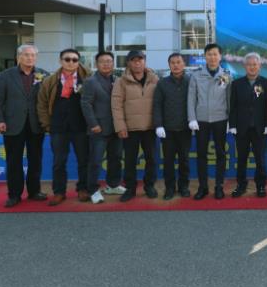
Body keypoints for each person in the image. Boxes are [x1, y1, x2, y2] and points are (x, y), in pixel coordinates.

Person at [0, 44, 49, 208]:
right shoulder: (5, 75)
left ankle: (34, 191)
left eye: (33, 55)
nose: (30, 58)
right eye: (26, 55)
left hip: (36, 125)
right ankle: (14, 195)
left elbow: (47, 100)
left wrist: (47, 121)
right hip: (12, 124)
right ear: (19, 57)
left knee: (35, 160)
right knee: (13, 161)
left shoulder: (43, 75)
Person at [37, 49, 91, 206]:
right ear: (60, 61)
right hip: (58, 127)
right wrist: (47, 124)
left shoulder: (88, 79)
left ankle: (83, 189)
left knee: (84, 160)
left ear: (78, 62)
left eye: (75, 60)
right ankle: (59, 192)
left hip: (81, 127)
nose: (71, 62)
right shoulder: (50, 80)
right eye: (67, 59)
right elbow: (42, 103)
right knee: (59, 162)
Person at [111, 50, 160, 202]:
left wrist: (159, 124)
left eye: (140, 59)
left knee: (151, 159)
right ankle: (130, 189)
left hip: (150, 127)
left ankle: (149, 186)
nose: (137, 63)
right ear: (128, 63)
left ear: (145, 61)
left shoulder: (154, 79)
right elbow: (116, 106)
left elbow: (160, 102)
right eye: (134, 60)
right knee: (130, 161)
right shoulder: (121, 81)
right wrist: (120, 126)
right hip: (130, 128)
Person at [188, 43, 232, 200]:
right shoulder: (196, 75)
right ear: (205, 56)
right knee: (201, 154)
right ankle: (203, 187)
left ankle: (219, 186)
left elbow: (229, 99)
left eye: (215, 54)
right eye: (209, 54)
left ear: (220, 56)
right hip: (201, 120)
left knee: (221, 153)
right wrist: (192, 118)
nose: (212, 57)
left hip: (220, 119)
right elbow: (191, 99)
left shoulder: (226, 75)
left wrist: (230, 120)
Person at [81, 50, 125, 204]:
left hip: (115, 128)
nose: (106, 64)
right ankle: (92, 190)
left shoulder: (117, 80)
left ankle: (113, 185)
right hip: (98, 129)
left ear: (113, 63)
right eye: (102, 61)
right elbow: (86, 104)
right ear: (96, 64)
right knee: (95, 161)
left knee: (116, 159)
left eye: (109, 61)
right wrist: (93, 124)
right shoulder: (90, 81)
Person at [228, 53, 267, 198]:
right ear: (244, 66)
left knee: (260, 160)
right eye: (249, 64)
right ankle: (241, 185)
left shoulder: (266, 83)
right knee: (241, 159)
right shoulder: (237, 84)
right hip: (241, 128)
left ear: (259, 66)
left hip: (260, 129)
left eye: (255, 64)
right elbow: (233, 106)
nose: (252, 67)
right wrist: (232, 125)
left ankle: (261, 186)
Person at [153, 53, 192, 200]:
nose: (176, 65)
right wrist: (158, 125)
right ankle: (169, 188)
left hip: (185, 129)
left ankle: (183, 187)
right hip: (167, 130)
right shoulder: (162, 83)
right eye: (173, 63)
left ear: (184, 64)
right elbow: (157, 105)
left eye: (178, 62)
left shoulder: (190, 81)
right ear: (169, 65)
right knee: (168, 161)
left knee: (184, 160)